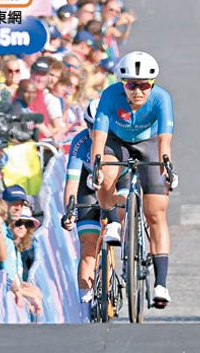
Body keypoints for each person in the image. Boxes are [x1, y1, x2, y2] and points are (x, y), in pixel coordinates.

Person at [90, 51, 176, 308]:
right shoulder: (110, 95)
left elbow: (164, 140)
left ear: (153, 84)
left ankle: (160, 283)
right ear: (122, 84)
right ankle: (113, 220)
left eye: (144, 85)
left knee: (156, 215)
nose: (138, 91)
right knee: (106, 175)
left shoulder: (162, 98)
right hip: (117, 142)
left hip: (149, 144)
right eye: (131, 85)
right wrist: (96, 165)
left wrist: (166, 166)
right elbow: (99, 136)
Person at [62, 99, 114, 320]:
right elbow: (72, 183)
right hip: (88, 189)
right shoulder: (80, 141)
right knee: (88, 247)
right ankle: (85, 311)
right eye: (91, 126)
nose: (95, 132)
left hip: (113, 187)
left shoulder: (119, 140)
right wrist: (70, 212)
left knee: (115, 228)